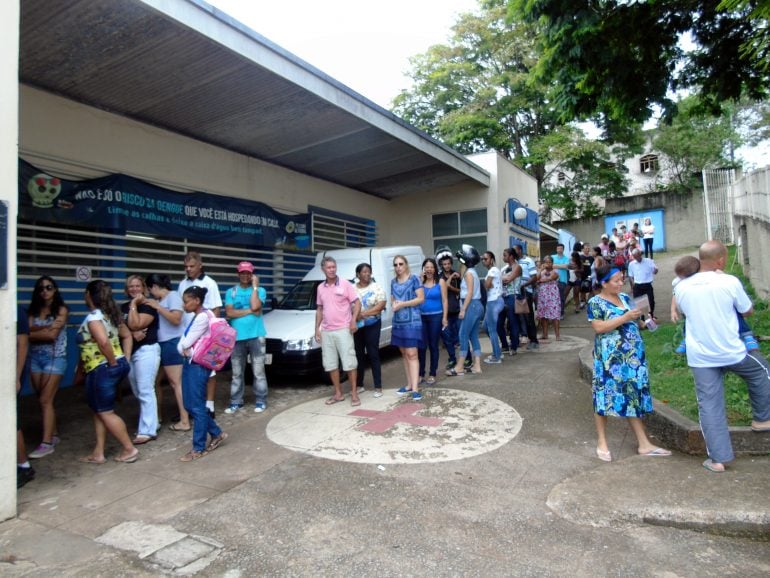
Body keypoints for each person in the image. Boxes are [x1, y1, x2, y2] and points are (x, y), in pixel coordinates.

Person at [674, 240, 770, 473]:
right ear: (721, 260)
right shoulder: (729, 281)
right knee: (761, 371)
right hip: (732, 351)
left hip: (700, 356)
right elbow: (747, 309)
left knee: (709, 404)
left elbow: (684, 311)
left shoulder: (681, 287)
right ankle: (762, 419)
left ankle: (718, 459)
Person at [587, 264, 672, 462]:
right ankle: (602, 442)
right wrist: (625, 317)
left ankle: (644, 443)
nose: (620, 283)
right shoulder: (595, 302)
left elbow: (639, 324)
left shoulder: (625, 298)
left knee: (633, 396)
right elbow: (599, 328)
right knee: (604, 397)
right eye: (615, 280)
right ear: (603, 283)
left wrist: (647, 321)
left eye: (621, 279)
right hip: (610, 360)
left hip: (633, 359)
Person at [77, 280, 138, 465]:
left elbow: (103, 342)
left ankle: (129, 448)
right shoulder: (110, 315)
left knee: (105, 412)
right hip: (113, 365)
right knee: (100, 410)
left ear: (89, 294)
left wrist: (112, 362)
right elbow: (127, 336)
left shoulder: (94, 317)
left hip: (102, 368)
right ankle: (99, 452)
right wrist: (123, 359)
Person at [177, 286, 228, 461]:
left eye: (186, 301)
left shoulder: (201, 319)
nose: (183, 305)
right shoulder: (204, 315)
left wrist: (184, 347)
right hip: (197, 364)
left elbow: (185, 344)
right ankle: (216, 433)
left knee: (196, 406)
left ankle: (198, 448)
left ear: (196, 301)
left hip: (197, 365)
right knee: (191, 404)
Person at [671, 256, 759, 355]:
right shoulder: (679, 283)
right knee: (689, 318)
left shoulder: (717, 275)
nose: (682, 280)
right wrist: (673, 310)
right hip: (699, 307)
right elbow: (677, 297)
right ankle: (687, 339)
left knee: (733, 310)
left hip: (719, 304)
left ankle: (746, 334)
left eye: (684, 278)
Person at [26, 276, 69, 459]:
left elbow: (52, 336)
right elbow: (24, 332)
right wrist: (44, 330)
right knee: (42, 399)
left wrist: (36, 331)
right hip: (35, 357)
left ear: (55, 290)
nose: (45, 291)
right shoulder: (33, 310)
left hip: (55, 357)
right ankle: (53, 433)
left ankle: (46, 443)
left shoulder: (61, 309)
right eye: (41, 288)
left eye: (49, 287)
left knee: (45, 400)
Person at [178, 251, 222, 418]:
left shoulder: (210, 283)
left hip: (205, 333)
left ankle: (209, 405)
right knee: (191, 370)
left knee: (209, 370)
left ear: (200, 265)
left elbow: (216, 308)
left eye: (192, 266)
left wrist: (214, 336)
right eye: (186, 266)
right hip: (189, 331)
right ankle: (194, 405)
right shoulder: (182, 284)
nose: (188, 269)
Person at [145, 273, 190, 432]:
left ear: (155, 287)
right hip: (162, 344)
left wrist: (158, 307)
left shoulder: (173, 297)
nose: (150, 294)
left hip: (173, 343)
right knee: (156, 382)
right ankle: (157, 417)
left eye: (150, 290)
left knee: (176, 383)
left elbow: (176, 319)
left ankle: (185, 420)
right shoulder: (162, 300)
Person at [315, 256, 361, 406]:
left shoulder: (346, 284)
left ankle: (354, 393)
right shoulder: (320, 288)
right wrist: (317, 329)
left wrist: (353, 320)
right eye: (328, 267)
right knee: (331, 364)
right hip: (327, 331)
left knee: (349, 363)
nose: (332, 270)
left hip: (343, 329)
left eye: (333, 267)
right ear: (323, 269)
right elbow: (320, 309)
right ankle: (338, 393)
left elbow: (357, 302)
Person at [224, 261, 269, 413]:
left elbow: (256, 306)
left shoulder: (260, 290)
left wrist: (255, 287)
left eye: (248, 273)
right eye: (242, 273)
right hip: (237, 337)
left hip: (256, 335)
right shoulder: (231, 292)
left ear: (252, 275)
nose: (245, 275)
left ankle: (261, 400)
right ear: (238, 274)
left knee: (258, 371)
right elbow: (229, 313)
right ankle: (236, 400)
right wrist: (249, 311)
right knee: (237, 371)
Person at [121, 275, 161, 445]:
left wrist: (133, 306)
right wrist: (130, 334)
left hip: (147, 350)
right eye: (131, 286)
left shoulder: (148, 305)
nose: (134, 289)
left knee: (145, 389)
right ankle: (153, 421)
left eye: (138, 286)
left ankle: (148, 430)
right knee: (137, 390)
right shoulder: (120, 307)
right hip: (130, 352)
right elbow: (118, 330)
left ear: (143, 288)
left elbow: (137, 324)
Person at [391, 255, 425, 399]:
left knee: (412, 354)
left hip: (413, 322)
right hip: (398, 323)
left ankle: (416, 388)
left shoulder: (414, 279)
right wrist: (393, 304)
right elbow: (393, 298)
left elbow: (421, 298)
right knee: (404, 354)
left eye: (400, 264)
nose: (398, 267)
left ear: (406, 265)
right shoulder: (393, 281)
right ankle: (409, 384)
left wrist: (402, 304)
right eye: (395, 265)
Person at [446, 245, 483, 375]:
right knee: (473, 336)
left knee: (462, 335)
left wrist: (463, 310)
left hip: (471, 305)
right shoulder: (472, 272)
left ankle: (460, 366)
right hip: (476, 305)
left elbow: (470, 293)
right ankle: (477, 366)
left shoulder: (468, 273)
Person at [354, 262, 387, 397]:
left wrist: (364, 314)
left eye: (369, 271)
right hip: (357, 326)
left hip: (373, 325)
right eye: (364, 272)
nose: (367, 274)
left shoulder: (376, 287)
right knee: (358, 355)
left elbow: (381, 304)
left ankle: (378, 387)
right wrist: (356, 316)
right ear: (358, 274)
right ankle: (359, 385)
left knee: (373, 354)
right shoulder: (351, 288)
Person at [417, 258, 447, 384]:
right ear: (423, 269)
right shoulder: (419, 282)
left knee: (433, 345)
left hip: (436, 316)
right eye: (426, 267)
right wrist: (420, 280)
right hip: (422, 316)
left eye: (431, 267)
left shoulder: (440, 281)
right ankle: (420, 374)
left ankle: (432, 373)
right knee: (421, 346)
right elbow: (415, 297)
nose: (429, 269)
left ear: (435, 269)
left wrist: (445, 318)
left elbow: (445, 300)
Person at [17, 305, 35, 487]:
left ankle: (23, 465)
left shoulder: (16, 311)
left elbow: (23, 343)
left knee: (10, 421)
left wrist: (16, 376)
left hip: (10, 374)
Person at [437, 249, 461, 370]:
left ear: (451, 263)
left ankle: (466, 358)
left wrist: (452, 283)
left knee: (460, 337)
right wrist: (451, 277)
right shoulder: (439, 277)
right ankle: (452, 359)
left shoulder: (457, 275)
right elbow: (444, 286)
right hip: (444, 312)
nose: (446, 266)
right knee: (447, 338)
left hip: (456, 310)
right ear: (441, 265)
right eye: (444, 264)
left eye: (448, 264)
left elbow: (460, 291)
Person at [515, 245, 540, 350]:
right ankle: (523, 338)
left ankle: (534, 340)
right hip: (517, 293)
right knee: (520, 318)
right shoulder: (515, 263)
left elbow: (534, 277)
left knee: (529, 317)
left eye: (515, 250)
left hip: (526, 292)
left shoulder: (528, 261)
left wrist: (523, 285)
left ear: (520, 250)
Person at [482, 251, 504, 364]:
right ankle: (498, 351)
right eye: (483, 259)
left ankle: (497, 356)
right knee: (485, 326)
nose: (483, 261)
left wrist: (486, 283)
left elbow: (486, 285)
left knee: (491, 329)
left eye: (486, 259)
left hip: (494, 301)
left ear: (491, 259)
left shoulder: (493, 270)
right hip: (494, 301)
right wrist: (488, 283)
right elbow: (488, 285)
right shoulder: (494, 271)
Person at [500, 247, 523, 355]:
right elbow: (499, 281)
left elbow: (508, 280)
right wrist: (502, 279)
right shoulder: (504, 268)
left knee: (513, 322)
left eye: (505, 255)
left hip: (513, 296)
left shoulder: (517, 267)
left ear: (511, 256)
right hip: (503, 297)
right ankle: (504, 345)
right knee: (498, 323)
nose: (503, 257)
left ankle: (514, 346)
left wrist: (502, 279)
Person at [626, 248, 658, 320]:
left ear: (640, 254)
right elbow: (630, 276)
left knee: (651, 301)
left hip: (647, 284)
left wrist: (656, 270)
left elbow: (655, 271)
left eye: (638, 256)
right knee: (639, 303)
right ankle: (642, 318)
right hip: (637, 285)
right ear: (633, 257)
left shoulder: (648, 261)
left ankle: (651, 315)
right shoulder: (631, 264)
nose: (637, 258)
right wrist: (633, 284)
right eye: (635, 257)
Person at [535, 256, 561, 341]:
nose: (548, 264)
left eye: (549, 262)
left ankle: (557, 335)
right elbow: (536, 278)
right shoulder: (542, 271)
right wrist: (539, 270)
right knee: (543, 315)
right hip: (543, 295)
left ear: (552, 263)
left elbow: (550, 278)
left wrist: (540, 281)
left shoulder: (555, 271)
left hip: (553, 296)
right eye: (546, 262)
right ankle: (545, 334)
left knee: (555, 315)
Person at [551, 243, 570, 319]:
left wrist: (556, 265)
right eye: (558, 248)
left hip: (562, 280)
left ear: (563, 249)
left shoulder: (566, 258)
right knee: (553, 297)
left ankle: (561, 313)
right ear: (556, 249)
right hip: (552, 280)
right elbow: (550, 265)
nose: (559, 250)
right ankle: (554, 313)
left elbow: (566, 266)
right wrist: (561, 266)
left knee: (561, 297)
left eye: (561, 248)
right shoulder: (552, 257)